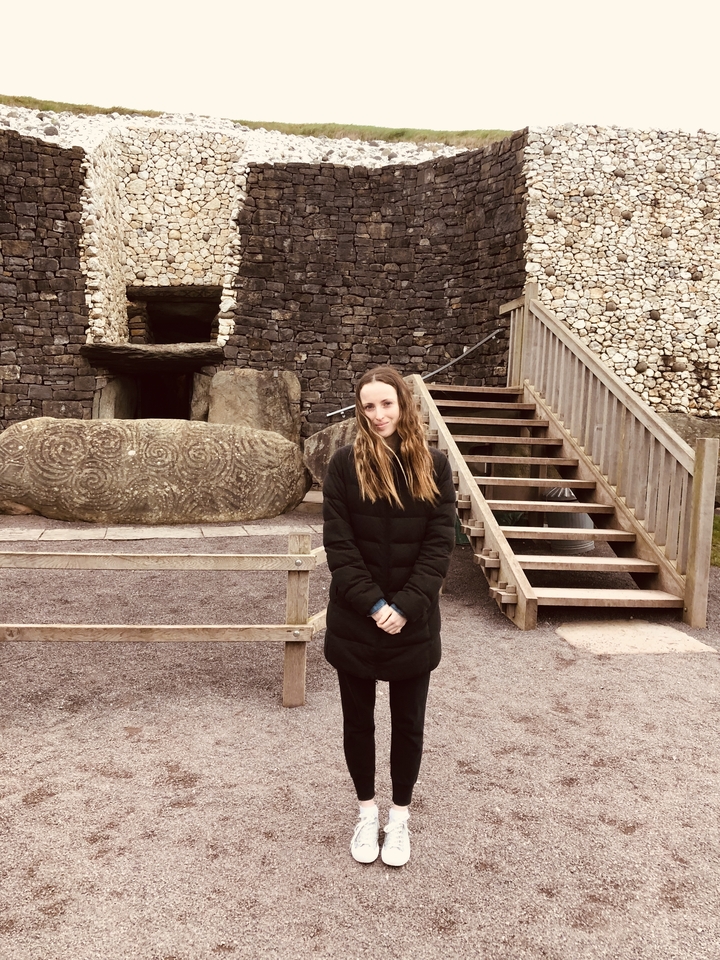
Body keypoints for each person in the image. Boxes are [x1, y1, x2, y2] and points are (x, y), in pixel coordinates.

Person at [322, 366, 456, 866]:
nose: (378, 415)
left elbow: (439, 544)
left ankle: (399, 818)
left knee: (409, 724)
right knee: (358, 724)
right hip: (358, 620)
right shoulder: (342, 464)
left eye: (386, 404)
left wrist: (406, 606)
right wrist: (377, 606)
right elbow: (340, 545)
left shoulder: (434, 466)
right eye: (369, 406)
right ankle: (366, 813)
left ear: (403, 403)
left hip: (413, 621)